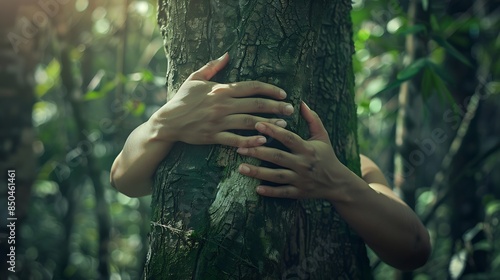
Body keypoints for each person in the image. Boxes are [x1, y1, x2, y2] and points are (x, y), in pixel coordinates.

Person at [110, 53, 431, 271]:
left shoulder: (353, 164)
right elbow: (123, 178)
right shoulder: (179, 140)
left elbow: (414, 248)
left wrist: (337, 181)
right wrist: (163, 124)